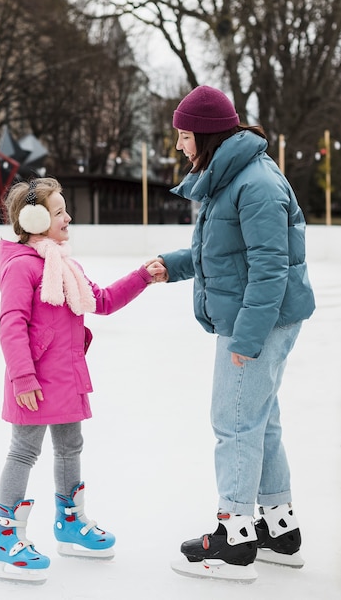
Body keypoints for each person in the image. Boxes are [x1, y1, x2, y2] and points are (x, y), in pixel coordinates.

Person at [148, 86, 315, 583]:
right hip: (260, 314)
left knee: (235, 423)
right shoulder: (232, 175)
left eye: (183, 136)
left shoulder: (255, 182)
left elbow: (270, 266)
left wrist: (246, 338)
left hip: (258, 318)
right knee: (260, 422)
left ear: (206, 134)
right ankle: (278, 530)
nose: (179, 146)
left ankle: (234, 537)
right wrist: (174, 266)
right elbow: (227, 249)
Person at [0, 176, 164, 584]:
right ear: (33, 219)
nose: (69, 216)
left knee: (70, 448)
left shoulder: (65, 265)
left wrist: (141, 277)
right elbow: (10, 325)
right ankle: (3, 534)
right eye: (59, 211)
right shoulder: (21, 268)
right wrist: (23, 378)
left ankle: (69, 522)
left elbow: (100, 301)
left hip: (65, 375)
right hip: (32, 380)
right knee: (23, 453)